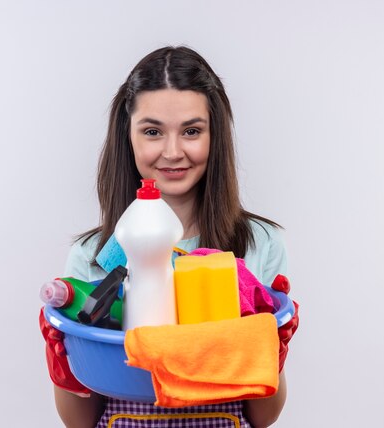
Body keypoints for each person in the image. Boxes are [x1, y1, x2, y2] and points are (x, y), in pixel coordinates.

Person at [41, 46, 298, 428]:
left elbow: (262, 418)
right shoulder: (94, 256)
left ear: (216, 136)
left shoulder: (259, 244)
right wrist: (67, 367)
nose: (173, 151)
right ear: (127, 135)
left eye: (192, 131)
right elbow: (81, 423)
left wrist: (269, 358)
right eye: (152, 131)